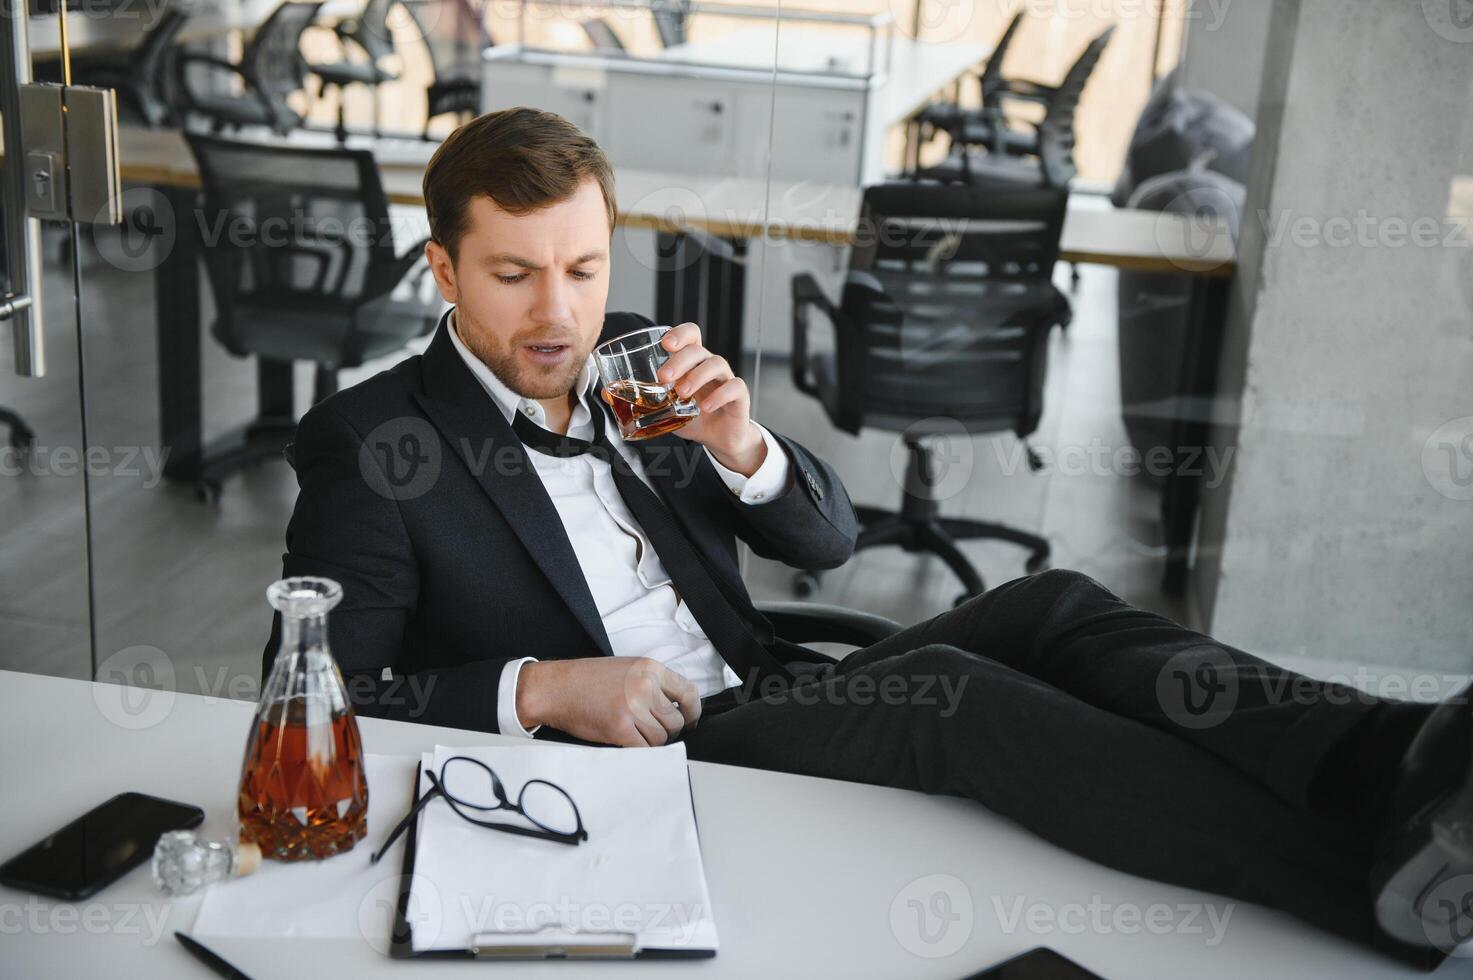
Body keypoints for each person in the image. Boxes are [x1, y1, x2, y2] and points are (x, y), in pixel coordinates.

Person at [264, 107, 1471, 969]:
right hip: (653, 764)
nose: (559, 311)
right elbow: (322, 695)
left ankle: (1391, 753)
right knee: (948, 694)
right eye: (516, 275)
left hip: (761, 685)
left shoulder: (631, 355)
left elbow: (829, 542)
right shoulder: (372, 442)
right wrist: (543, 686)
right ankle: (1366, 897)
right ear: (444, 268)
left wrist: (745, 446)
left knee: (1044, 605)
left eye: (583, 267)